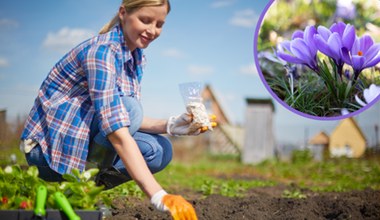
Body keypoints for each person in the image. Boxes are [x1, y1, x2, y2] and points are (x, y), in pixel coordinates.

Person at [20, 0, 216, 219]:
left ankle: (78, 190)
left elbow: (120, 116)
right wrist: (158, 195)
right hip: (48, 152)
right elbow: (117, 127)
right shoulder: (101, 52)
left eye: (159, 24)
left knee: (160, 150)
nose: (152, 30)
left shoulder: (136, 57)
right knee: (131, 107)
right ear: (123, 13)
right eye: (145, 20)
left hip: (80, 146)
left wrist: (170, 125)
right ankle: (81, 189)